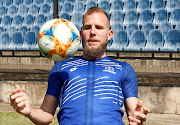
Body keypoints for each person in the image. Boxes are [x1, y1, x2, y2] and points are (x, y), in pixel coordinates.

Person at [10, 7, 149, 125]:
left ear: (109, 34)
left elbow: (134, 111)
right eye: (88, 27)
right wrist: (29, 112)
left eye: (99, 27)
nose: (93, 32)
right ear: (81, 34)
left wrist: (138, 118)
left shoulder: (123, 69)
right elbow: (46, 114)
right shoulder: (61, 68)